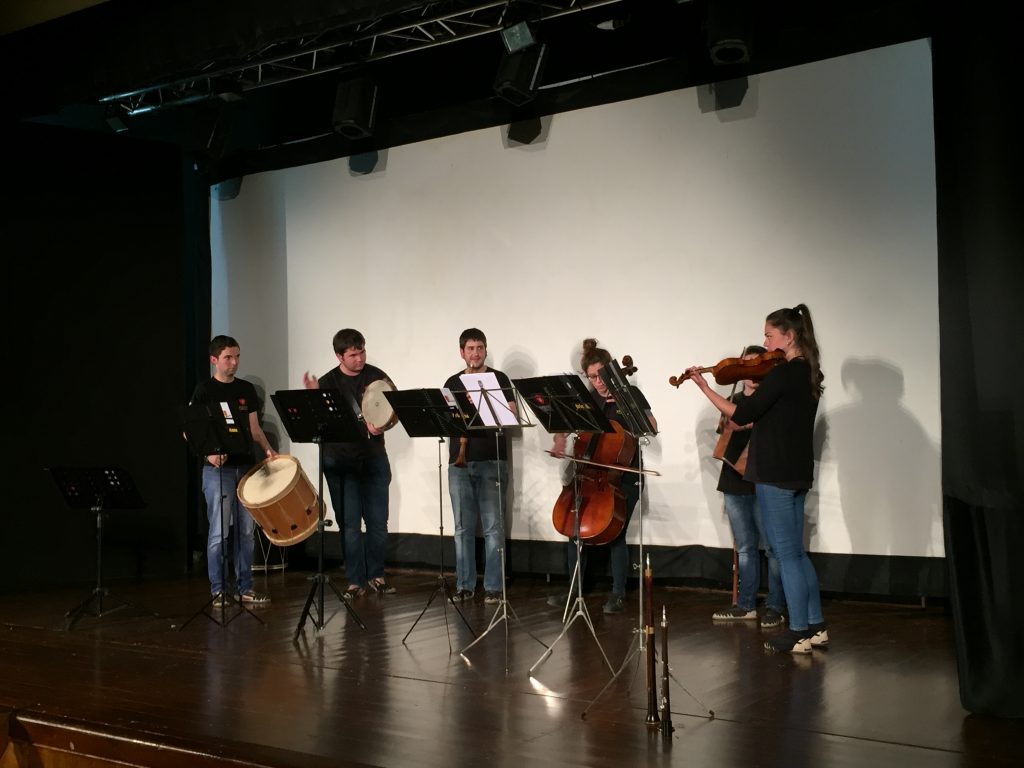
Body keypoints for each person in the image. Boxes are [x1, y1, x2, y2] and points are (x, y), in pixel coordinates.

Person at [685, 305, 828, 654]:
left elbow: (743, 412)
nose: (764, 343)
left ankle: (798, 632)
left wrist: (703, 386)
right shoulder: (806, 372)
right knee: (796, 552)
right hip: (795, 472)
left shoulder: (781, 374)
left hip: (775, 473)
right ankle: (816, 625)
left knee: (786, 554)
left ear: (789, 337)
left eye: (769, 335)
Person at [548, 338, 658, 615]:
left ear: (612, 372)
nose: (597, 382)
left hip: (623, 477)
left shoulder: (629, 393)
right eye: (591, 377)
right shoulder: (586, 400)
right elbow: (564, 424)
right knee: (575, 529)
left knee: (615, 533)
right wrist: (561, 440)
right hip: (590, 475)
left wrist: (626, 405)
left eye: (601, 375)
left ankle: (618, 593)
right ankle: (574, 589)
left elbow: (652, 427)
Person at [303, 328, 396, 597]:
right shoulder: (327, 382)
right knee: (350, 525)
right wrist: (312, 397)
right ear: (339, 356)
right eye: (353, 354)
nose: (360, 358)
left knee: (378, 523)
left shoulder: (377, 376)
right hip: (341, 463)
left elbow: (394, 410)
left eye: (362, 351)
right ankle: (355, 580)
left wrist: (383, 425)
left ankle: (377, 575)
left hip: (374, 459)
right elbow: (316, 422)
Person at [189, 334, 277, 606]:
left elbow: (253, 428)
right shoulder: (204, 390)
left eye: (237, 356)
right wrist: (208, 454)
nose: (234, 362)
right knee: (219, 532)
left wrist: (267, 450)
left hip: (245, 469)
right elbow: (188, 430)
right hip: (218, 471)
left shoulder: (246, 390)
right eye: (228, 357)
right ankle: (218, 588)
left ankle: (245, 587)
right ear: (214, 360)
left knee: (246, 532)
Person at [710, 345, 786, 628]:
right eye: (748, 367)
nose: (753, 374)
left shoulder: (770, 401)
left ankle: (775, 605)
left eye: (759, 367)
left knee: (772, 547)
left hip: (761, 478)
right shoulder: (734, 398)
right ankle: (746, 605)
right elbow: (726, 437)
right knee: (744, 547)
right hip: (733, 479)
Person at [444, 328, 516, 605]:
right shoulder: (452, 382)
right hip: (459, 463)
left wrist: (484, 403)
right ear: (462, 352)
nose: (475, 353)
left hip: (491, 460)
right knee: (462, 528)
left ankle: (494, 587)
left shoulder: (498, 379)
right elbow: (447, 418)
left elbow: (510, 416)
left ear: (485, 350)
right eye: (470, 348)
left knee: (493, 529)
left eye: (480, 348)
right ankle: (464, 585)